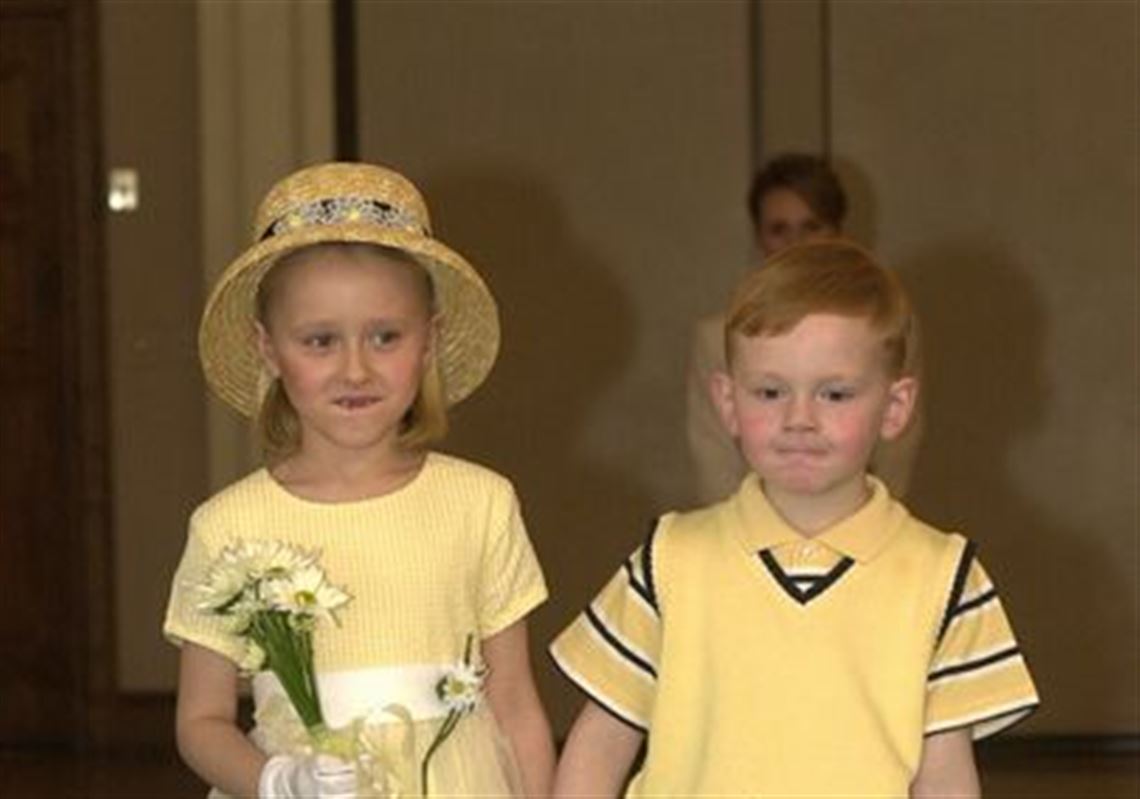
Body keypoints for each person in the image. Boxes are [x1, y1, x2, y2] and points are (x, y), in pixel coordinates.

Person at [551, 240, 1038, 796]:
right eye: (769, 392)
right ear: (728, 402)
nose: (799, 418)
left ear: (895, 407)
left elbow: (945, 777)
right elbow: (599, 746)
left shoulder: (945, 579)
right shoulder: (668, 563)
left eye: (835, 394)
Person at [164, 162, 555, 798]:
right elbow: (200, 721)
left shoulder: (480, 503)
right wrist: (277, 781)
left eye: (385, 337)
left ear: (428, 342)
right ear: (268, 349)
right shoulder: (228, 526)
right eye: (320, 341)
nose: (355, 370)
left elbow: (514, 702)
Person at [687, 152, 923, 504]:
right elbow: (713, 456)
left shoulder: (887, 325)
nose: (796, 243)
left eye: (811, 227)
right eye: (779, 229)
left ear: (837, 232)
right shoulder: (715, 337)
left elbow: (897, 452)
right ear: (759, 237)